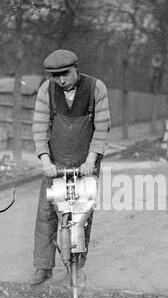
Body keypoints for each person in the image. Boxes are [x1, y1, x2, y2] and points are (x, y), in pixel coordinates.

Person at [31, 49, 110, 285]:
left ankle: (76, 267)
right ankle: (43, 266)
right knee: (47, 215)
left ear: (76, 67)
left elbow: (102, 127)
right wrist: (45, 160)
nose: (61, 80)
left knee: (82, 216)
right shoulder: (47, 89)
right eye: (55, 76)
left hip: (86, 163)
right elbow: (39, 127)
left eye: (65, 74)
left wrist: (91, 160)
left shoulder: (97, 88)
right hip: (56, 164)